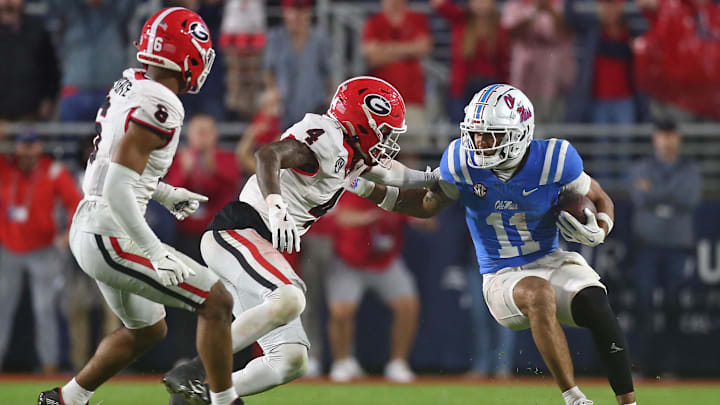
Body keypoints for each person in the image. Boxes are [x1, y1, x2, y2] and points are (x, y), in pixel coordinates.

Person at [350, 84, 637, 405]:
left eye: (491, 135)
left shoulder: (554, 159)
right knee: (538, 293)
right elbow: (426, 205)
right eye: (475, 134)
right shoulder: (462, 160)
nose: (479, 143)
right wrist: (366, 189)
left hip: (550, 259)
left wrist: (601, 227)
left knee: (596, 302)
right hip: (501, 275)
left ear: (520, 133)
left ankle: (628, 403)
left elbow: (599, 196)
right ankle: (575, 399)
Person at [162, 76, 437, 404]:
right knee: (290, 298)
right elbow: (267, 155)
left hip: (253, 244)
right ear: (361, 123)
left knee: (291, 359)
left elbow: (395, 174)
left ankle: (202, 397)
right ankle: (194, 369)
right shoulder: (327, 137)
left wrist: (438, 178)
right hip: (237, 232)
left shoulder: (354, 154)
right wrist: (276, 207)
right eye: (384, 131)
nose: (388, 141)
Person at [37, 8, 240, 405]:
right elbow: (116, 186)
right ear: (187, 59)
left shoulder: (132, 82)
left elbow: (115, 169)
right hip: (110, 233)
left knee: (148, 331)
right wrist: (152, 251)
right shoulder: (161, 104)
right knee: (217, 302)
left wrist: (164, 194)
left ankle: (65, 399)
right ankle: (225, 402)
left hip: (95, 221)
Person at [0, 131, 82, 374]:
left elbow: (75, 202)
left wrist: (69, 233)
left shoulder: (52, 170)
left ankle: (49, 366)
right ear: (15, 147)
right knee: (2, 308)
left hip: (43, 250)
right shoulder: (5, 168)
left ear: (40, 146)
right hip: (8, 248)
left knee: (44, 308)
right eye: (22, 146)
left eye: (31, 145)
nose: (26, 151)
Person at [628, 119, 701, 375]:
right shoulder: (641, 167)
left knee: (674, 305)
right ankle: (639, 364)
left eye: (671, 135)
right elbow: (639, 197)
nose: (667, 140)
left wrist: (655, 195)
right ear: (655, 138)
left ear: (678, 138)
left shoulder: (689, 168)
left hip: (677, 247)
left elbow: (688, 198)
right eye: (662, 134)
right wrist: (669, 197)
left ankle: (671, 366)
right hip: (647, 245)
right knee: (643, 303)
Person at [327, 193, 419, 383]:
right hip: (350, 260)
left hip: (384, 262)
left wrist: (422, 213)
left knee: (408, 306)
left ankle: (398, 363)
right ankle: (342, 362)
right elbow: (342, 218)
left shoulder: (396, 190)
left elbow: (423, 218)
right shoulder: (356, 187)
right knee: (340, 312)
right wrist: (370, 216)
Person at [46, 0, 140, 122]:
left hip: (111, 90)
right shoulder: (70, 11)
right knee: (68, 140)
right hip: (74, 91)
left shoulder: (116, 13)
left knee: (113, 139)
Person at [166, 114, 241, 260]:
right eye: (198, 132)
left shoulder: (227, 158)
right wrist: (185, 172)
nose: (202, 137)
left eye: (206, 132)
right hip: (185, 232)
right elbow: (172, 192)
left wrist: (214, 171)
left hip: (217, 231)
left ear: (215, 135)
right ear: (190, 135)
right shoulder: (179, 159)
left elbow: (231, 188)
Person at [363, 0, 432, 148]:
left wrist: (386, 49)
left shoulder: (416, 19)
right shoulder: (374, 23)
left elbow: (424, 47)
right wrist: (409, 49)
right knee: (380, 154)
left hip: (412, 98)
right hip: (381, 103)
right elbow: (373, 57)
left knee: (411, 152)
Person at [430, 0, 510, 124]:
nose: (481, 4)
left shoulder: (500, 28)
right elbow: (438, 3)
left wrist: (504, 90)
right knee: (459, 125)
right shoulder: (461, 19)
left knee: (487, 128)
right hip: (462, 86)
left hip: (490, 87)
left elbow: (503, 62)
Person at [501, 0, 575, 122]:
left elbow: (568, 30)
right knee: (521, 119)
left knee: (551, 120)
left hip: (552, 77)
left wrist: (548, 9)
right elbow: (510, 32)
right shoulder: (516, 5)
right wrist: (534, 11)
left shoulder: (560, 4)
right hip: (523, 76)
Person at [264, 0, 333, 130]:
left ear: (308, 13)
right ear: (285, 12)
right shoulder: (275, 38)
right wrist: (271, 90)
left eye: (301, 11)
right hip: (285, 108)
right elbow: (269, 71)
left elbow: (328, 74)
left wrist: (330, 101)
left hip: (315, 107)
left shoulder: (319, 39)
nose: (297, 16)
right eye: (293, 11)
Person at [0, 0, 60, 121]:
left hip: (30, 111)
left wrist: (49, 98)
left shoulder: (37, 29)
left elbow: (51, 68)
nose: (9, 1)